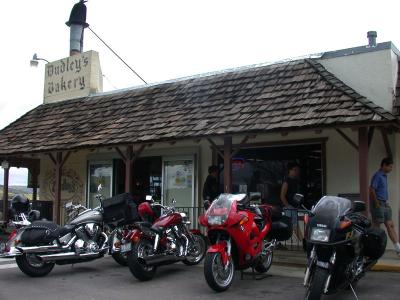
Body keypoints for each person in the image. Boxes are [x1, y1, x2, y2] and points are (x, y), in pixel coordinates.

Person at [369, 157, 400, 256]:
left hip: (384, 203)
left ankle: (398, 248)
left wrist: (385, 202)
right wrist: (377, 203)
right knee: (377, 227)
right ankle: (374, 249)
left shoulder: (384, 176)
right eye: (390, 166)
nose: (391, 169)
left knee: (390, 226)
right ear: (384, 165)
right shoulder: (378, 176)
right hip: (378, 204)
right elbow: (372, 189)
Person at [280, 162, 303, 241]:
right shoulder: (287, 181)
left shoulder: (296, 181)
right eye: (295, 170)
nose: (296, 172)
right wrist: (288, 206)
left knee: (294, 224)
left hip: (294, 206)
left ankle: (302, 241)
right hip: (289, 207)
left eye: (298, 170)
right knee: (292, 225)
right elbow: (282, 195)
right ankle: (303, 242)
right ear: (290, 170)